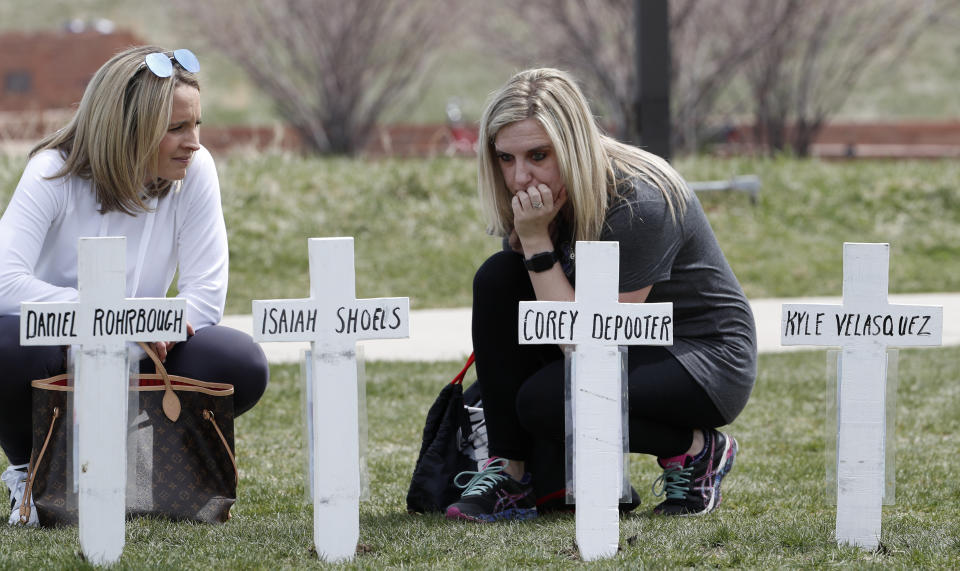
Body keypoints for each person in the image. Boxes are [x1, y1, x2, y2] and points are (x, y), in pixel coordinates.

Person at [445, 68, 756, 522]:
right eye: (506, 159)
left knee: (543, 400)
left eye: (537, 155)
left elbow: (590, 343)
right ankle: (510, 473)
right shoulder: (541, 194)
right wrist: (530, 243)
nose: (519, 176)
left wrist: (535, 243)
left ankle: (698, 449)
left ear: (571, 147)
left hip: (701, 357)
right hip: (622, 341)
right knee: (497, 277)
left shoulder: (639, 199)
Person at [0, 46, 269, 526]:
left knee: (238, 360)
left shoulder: (196, 170)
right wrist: (116, 315)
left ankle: (158, 473)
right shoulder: (50, 171)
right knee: (3, 341)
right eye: (176, 129)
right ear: (128, 129)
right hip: (57, 352)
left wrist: (139, 331)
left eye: (197, 125)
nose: (194, 142)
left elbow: (205, 296)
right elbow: (4, 283)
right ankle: (30, 472)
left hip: (148, 352)